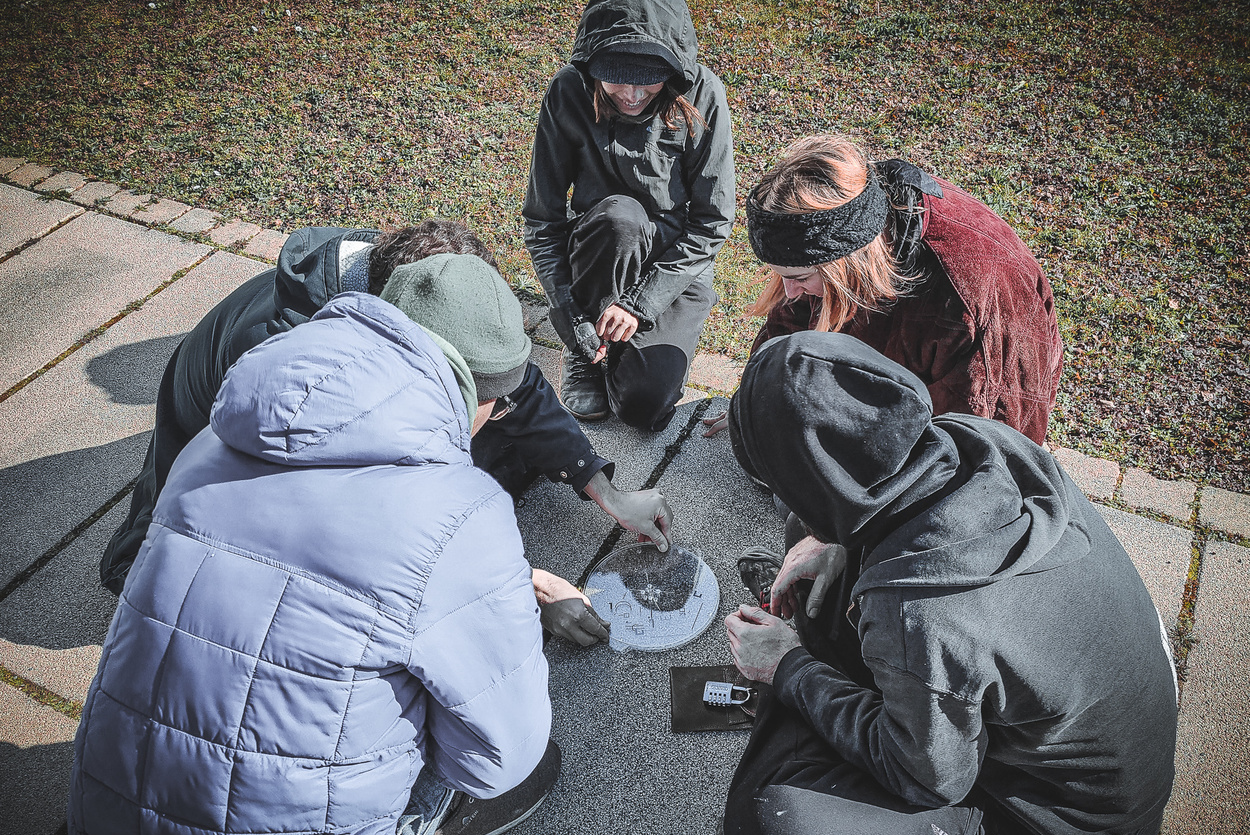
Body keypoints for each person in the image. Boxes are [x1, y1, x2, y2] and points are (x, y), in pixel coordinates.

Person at [69, 258, 562, 835]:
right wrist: (499, 598)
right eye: (499, 405)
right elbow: (496, 758)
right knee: (518, 753)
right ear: (476, 391)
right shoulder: (461, 513)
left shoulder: (214, 440)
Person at [719, 331, 1177, 835]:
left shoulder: (921, 618)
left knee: (768, 825)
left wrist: (788, 669)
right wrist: (835, 540)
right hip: (1080, 714)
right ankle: (829, 670)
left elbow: (926, 779)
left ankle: (798, 683)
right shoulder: (978, 438)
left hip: (1061, 827)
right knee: (805, 537)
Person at [99, 219, 671, 646]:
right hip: (240, 505)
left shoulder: (414, 287)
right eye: (477, 395)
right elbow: (357, 532)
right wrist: (521, 588)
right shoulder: (294, 381)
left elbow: (512, 382)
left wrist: (604, 489)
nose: (499, 407)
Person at [703, 135, 1062, 445]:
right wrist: (751, 404)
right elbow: (789, 332)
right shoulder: (837, 227)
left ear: (847, 262)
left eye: (798, 276)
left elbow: (992, 437)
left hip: (967, 415)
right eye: (780, 274)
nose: (789, 291)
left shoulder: (972, 293)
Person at [523, 0, 735, 429]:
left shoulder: (704, 93)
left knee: (644, 408)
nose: (633, 95)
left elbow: (712, 223)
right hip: (601, 250)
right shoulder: (567, 91)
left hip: (675, 264)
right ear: (592, 66)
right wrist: (571, 318)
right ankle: (586, 350)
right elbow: (542, 221)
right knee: (621, 217)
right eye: (616, 79)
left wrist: (639, 306)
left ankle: (622, 342)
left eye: (648, 80)